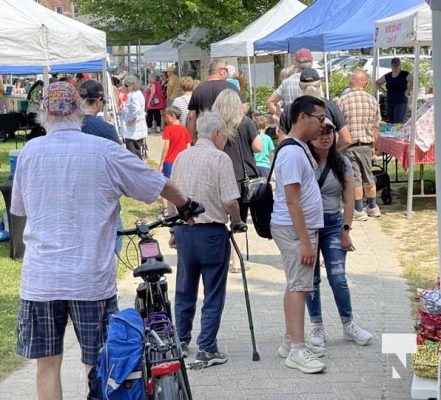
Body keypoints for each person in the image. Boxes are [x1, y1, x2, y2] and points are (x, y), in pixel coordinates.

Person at [10, 81, 201, 400]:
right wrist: (184, 204)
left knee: (47, 365)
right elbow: (154, 181)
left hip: (41, 279)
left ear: (44, 113)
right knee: (98, 363)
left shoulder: (30, 152)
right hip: (90, 279)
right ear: (79, 112)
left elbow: (19, 208)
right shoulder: (104, 151)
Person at [170, 111, 243, 366]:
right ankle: (207, 347)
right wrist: (237, 221)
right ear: (216, 134)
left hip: (184, 231)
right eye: (224, 135)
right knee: (213, 292)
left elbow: (171, 196)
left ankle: (180, 339)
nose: (224, 139)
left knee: (184, 288)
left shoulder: (181, 156)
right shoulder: (220, 158)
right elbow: (230, 201)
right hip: (211, 232)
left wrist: (172, 230)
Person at [305, 118, 373, 352]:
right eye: (319, 132)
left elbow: (350, 198)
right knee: (310, 280)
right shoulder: (304, 161)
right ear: (310, 136)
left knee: (338, 276)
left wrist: (346, 230)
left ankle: (348, 323)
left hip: (333, 222)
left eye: (329, 132)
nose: (324, 137)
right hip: (309, 226)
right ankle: (316, 326)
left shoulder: (341, 162)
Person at [272, 95, 326, 374]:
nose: (323, 124)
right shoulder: (293, 152)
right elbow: (292, 200)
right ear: (302, 117)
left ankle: (289, 341)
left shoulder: (300, 148)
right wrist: (305, 241)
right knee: (299, 287)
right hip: (295, 230)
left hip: (299, 229)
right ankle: (297, 349)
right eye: (319, 118)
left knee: (296, 283)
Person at [212, 89, 262, 274]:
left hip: (219, 175)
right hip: (242, 177)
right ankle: (236, 260)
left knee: (218, 217)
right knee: (238, 219)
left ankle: (219, 258)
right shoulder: (246, 122)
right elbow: (258, 147)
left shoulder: (214, 125)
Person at [337, 70, 382, 221]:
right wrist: (374, 147)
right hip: (367, 144)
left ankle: (358, 209)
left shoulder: (342, 101)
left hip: (349, 144)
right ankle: (373, 206)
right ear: (366, 84)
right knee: (368, 175)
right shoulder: (372, 101)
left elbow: (338, 125)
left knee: (355, 177)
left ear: (350, 83)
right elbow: (376, 126)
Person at [279, 67, 352, 150]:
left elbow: (282, 142)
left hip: (300, 159)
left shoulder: (289, 110)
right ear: (319, 84)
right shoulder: (331, 107)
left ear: (300, 86)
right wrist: (331, 153)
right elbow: (346, 139)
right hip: (324, 161)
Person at [187, 59, 243, 143]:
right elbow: (242, 109)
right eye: (226, 70)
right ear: (221, 71)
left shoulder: (198, 89)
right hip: (228, 137)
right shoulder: (231, 87)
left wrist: (191, 137)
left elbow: (192, 116)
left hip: (205, 136)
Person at [159, 106, 192, 216]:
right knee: (181, 185)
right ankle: (181, 206)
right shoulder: (185, 129)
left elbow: (166, 147)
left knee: (165, 186)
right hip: (182, 162)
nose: (165, 119)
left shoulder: (168, 129)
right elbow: (188, 147)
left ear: (172, 116)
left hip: (169, 161)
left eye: (166, 116)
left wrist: (161, 163)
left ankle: (166, 209)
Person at [267, 48, 314, 122]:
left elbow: (270, 102)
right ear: (311, 62)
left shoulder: (286, 82)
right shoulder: (315, 80)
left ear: (296, 62)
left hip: (292, 124)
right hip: (311, 123)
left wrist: (284, 116)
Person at [79, 79, 120, 144]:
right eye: (103, 102)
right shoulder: (107, 129)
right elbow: (119, 152)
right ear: (98, 102)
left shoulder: (68, 127)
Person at [376, 57, 412, 123]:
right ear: (391, 66)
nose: (395, 68)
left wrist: (408, 90)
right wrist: (384, 92)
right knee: (391, 124)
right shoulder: (388, 76)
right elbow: (377, 83)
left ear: (400, 65)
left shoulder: (404, 74)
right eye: (394, 66)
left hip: (401, 102)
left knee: (398, 124)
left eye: (397, 65)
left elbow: (414, 80)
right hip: (389, 102)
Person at [120, 75, 147, 159]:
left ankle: (137, 170)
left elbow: (136, 110)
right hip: (135, 129)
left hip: (133, 130)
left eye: (126, 86)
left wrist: (132, 120)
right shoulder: (137, 93)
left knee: (133, 153)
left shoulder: (134, 95)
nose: (125, 87)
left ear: (131, 85)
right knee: (135, 151)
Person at [253, 114, 275, 178]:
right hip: (265, 165)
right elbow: (271, 153)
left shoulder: (254, 137)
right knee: (265, 186)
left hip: (255, 165)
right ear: (266, 126)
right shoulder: (268, 138)